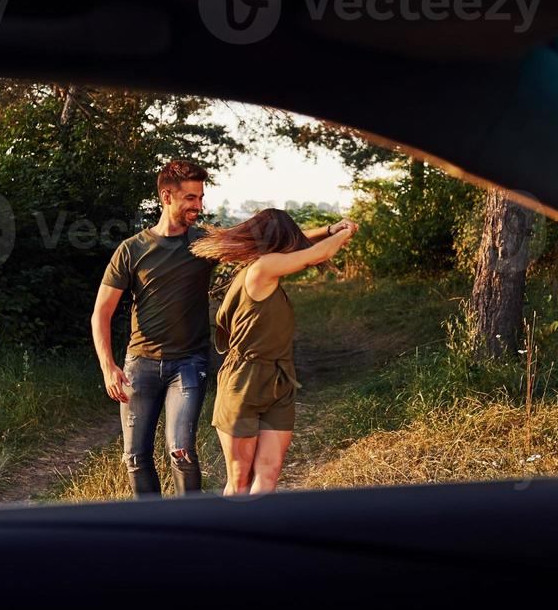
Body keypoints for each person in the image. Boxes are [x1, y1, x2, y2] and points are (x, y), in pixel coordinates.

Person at [191, 209, 358, 496]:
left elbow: (302, 247)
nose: (294, 247)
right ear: (279, 242)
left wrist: (329, 229)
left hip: (280, 379)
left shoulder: (265, 264)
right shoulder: (260, 270)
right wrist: (346, 232)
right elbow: (313, 255)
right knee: (240, 479)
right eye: (289, 240)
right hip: (244, 380)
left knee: (268, 474)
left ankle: (257, 535)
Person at [91, 160, 214, 497]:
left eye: (200, 197)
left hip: (189, 363)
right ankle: (155, 529)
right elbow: (101, 312)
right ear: (166, 197)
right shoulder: (132, 249)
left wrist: (326, 233)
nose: (198, 206)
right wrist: (108, 367)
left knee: (182, 452)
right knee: (135, 457)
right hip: (140, 365)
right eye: (191, 198)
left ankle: (191, 533)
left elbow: (263, 238)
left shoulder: (204, 243)